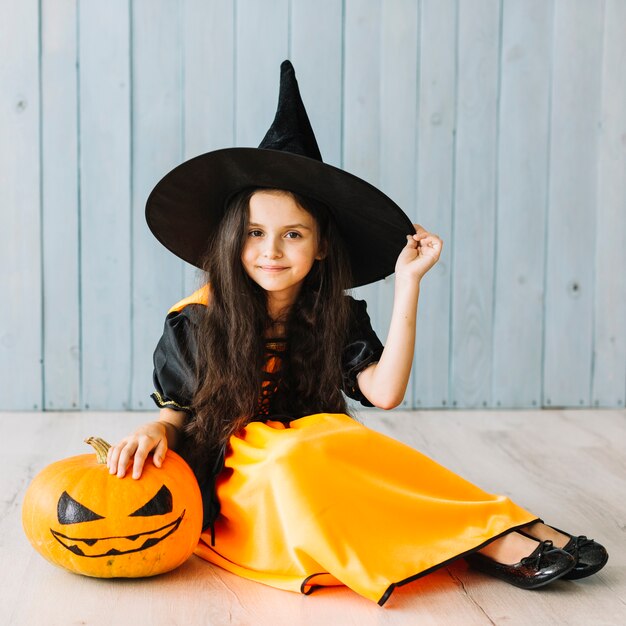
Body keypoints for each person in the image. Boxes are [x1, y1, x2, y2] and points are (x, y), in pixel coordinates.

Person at [107, 61, 607, 606]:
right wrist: (155, 431)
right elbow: (176, 414)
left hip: (318, 451)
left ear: (321, 245)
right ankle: (484, 544)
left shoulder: (334, 315)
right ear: (231, 240)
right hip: (244, 481)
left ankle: (505, 523)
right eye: (254, 233)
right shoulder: (199, 319)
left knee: (360, 450)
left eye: (292, 234)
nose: (271, 251)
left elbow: (384, 394)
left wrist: (408, 283)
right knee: (294, 459)